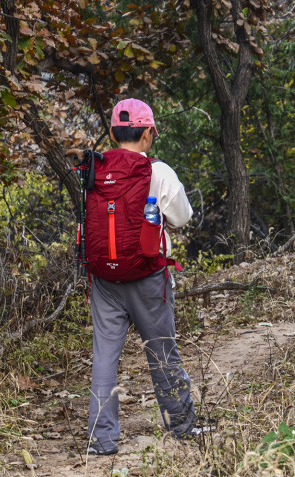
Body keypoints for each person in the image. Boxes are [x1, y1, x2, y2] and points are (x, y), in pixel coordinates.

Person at [86, 98, 196, 456]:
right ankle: (181, 426)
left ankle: (102, 441)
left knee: (104, 357)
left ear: (115, 132)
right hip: (148, 276)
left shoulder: (96, 167)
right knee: (162, 350)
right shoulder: (158, 171)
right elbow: (181, 218)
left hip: (104, 278)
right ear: (148, 133)